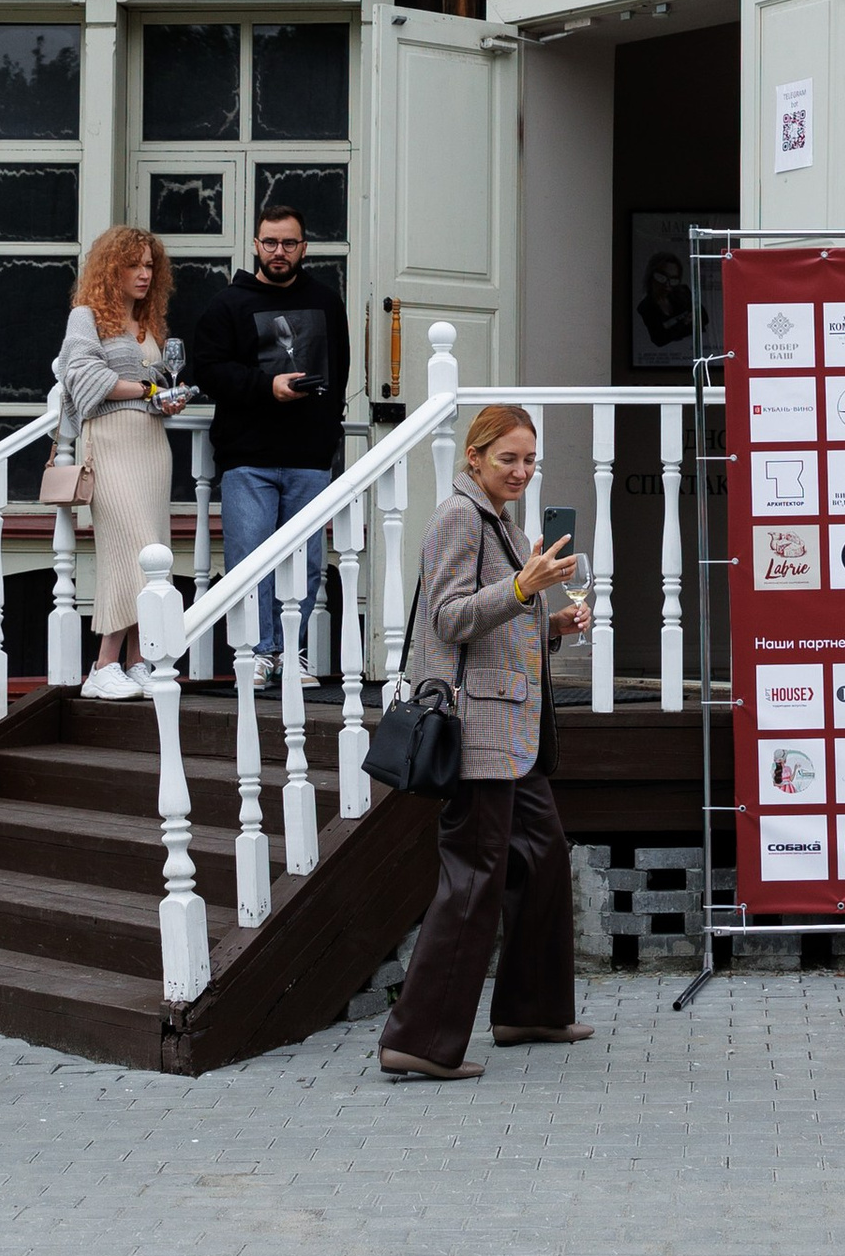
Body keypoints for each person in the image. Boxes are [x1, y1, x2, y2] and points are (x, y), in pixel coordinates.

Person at [380, 402, 594, 1080]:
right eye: (508, 458)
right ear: (473, 457)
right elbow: (447, 620)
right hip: (476, 731)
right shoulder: (457, 517)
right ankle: (418, 1040)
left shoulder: (502, 522)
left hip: (514, 735)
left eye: (530, 460)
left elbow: (500, 622)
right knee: (472, 880)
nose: (522, 471)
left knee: (543, 858)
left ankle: (529, 1008)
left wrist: (553, 623)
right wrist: (523, 585)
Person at [184, 193, 352, 663]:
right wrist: (266, 387)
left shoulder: (324, 301)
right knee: (249, 563)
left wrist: (325, 431)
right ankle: (257, 654)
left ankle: (290, 656)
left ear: (304, 248)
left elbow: (338, 370)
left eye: (289, 244)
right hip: (248, 457)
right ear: (256, 244)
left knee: (307, 564)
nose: (279, 252)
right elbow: (209, 370)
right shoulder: (228, 304)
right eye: (271, 242)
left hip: (309, 459)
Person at [58, 227, 189, 698]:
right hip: (110, 443)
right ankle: (102, 667)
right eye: (134, 264)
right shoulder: (86, 316)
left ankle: (139, 663)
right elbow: (82, 377)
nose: (144, 274)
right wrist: (149, 390)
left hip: (152, 446)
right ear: (112, 269)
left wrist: (165, 399)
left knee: (154, 550)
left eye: (150, 265)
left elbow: (152, 381)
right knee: (128, 551)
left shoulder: (148, 322)